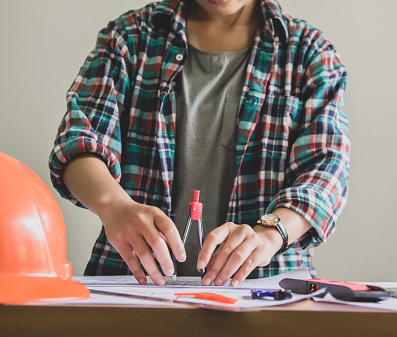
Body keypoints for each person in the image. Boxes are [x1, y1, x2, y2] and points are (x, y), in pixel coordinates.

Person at [49, 0, 350, 287]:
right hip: (130, 286)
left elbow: (326, 171)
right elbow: (77, 140)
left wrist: (271, 232)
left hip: (269, 290)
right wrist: (113, 206)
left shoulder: (309, 52)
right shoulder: (130, 37)